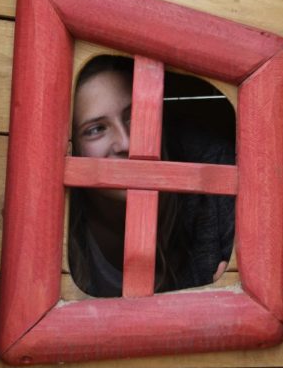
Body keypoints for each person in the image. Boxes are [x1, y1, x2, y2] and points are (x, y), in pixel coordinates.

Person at [68, 55, 235, 297]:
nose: (126, 143)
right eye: (96, 129)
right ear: (71, 146)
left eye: (134, 115)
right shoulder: (60, 219)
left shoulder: (213, 171)